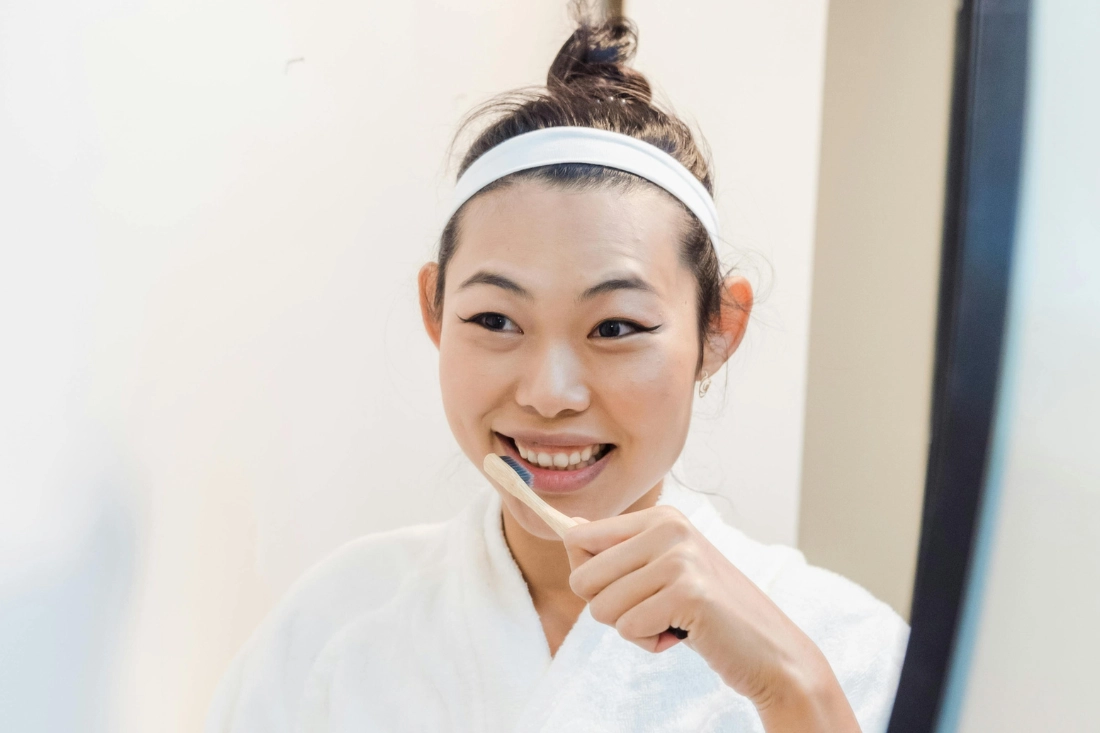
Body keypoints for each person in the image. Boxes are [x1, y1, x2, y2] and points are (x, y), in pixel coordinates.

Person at [205, 11, 908, 733]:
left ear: (719, 330)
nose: (548, 393)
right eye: (495, 321)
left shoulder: (848, 646)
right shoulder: (335, 629)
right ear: (434, 308)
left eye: (616, 328)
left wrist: (794, 688)